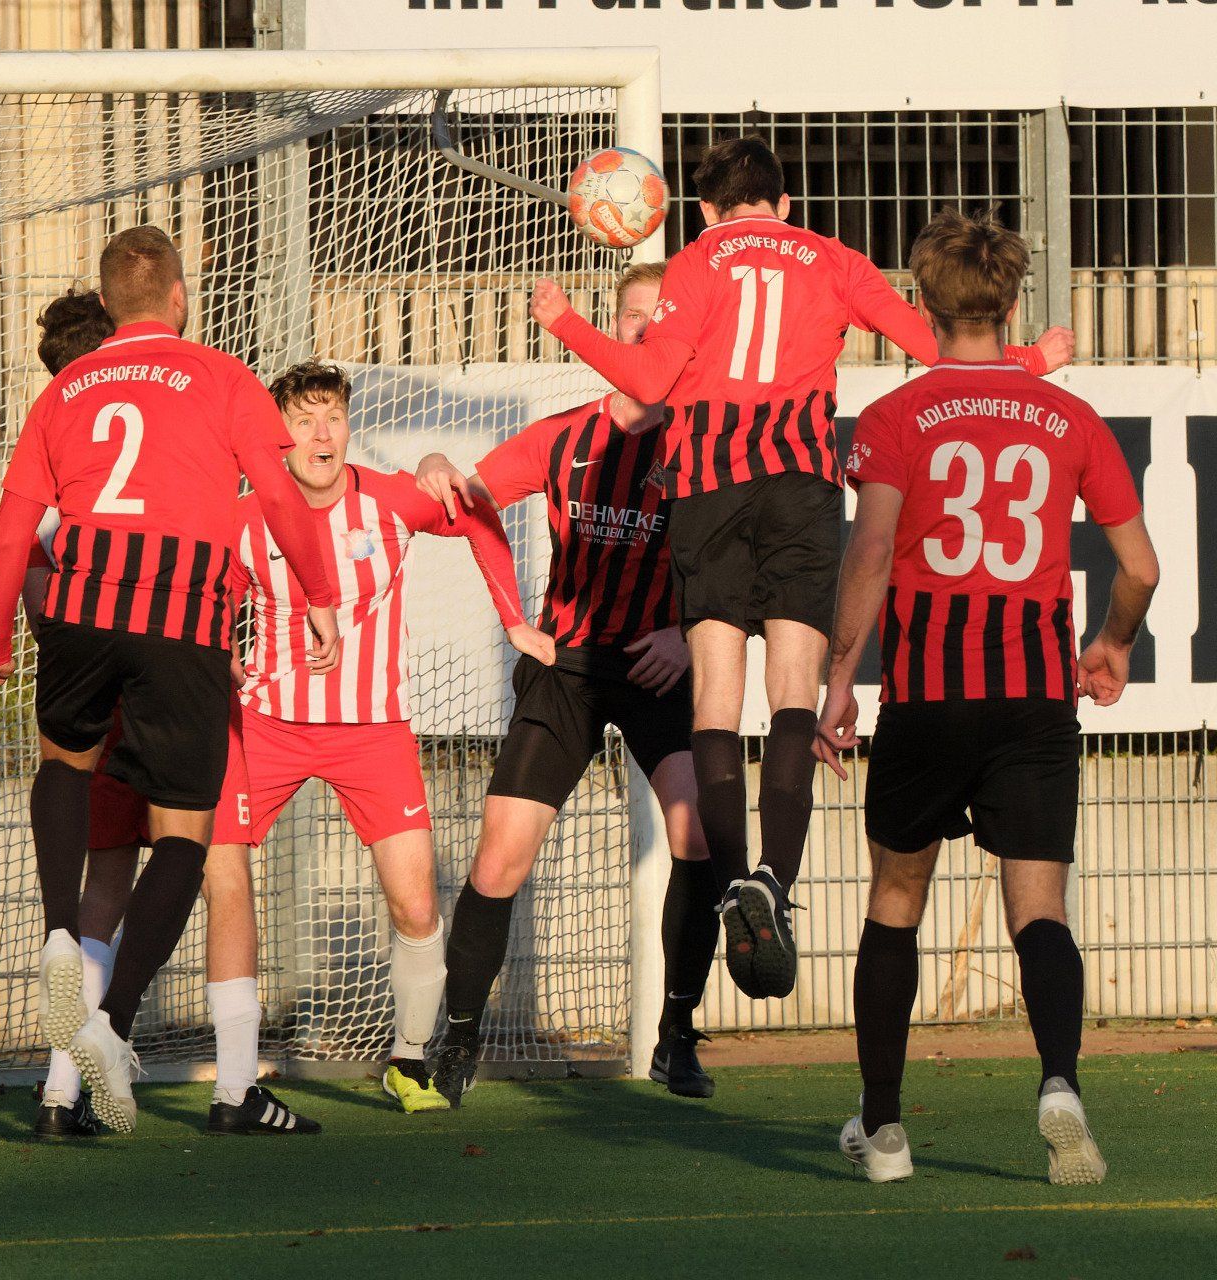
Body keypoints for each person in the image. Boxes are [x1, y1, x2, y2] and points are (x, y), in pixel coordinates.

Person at [529, 136, 1073, 999]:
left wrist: (564, 320)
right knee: (792, 693)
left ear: (705, 210)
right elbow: (933, 347)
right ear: (783, 203)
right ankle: (773, 882)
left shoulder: (695, 262)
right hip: (799, 487)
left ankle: (732, 884)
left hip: (708, 486)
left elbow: (650, 378)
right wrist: (1030, 363)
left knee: (716, 698)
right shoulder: (832, 257)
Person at [0, 226, 340, 1134]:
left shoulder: (66, 389)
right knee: (185, 837)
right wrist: (319, 595)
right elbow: (279, 496)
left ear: (105, 306)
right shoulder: (222, 376)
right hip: (182, 617)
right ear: (179, 295)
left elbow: (12, 530)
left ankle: (60, 937)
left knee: (64, 766)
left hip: (82, 612)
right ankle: (112, 1024)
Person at [817, 210, 1156, 1185]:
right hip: (1034, 698)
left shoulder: (896, 416)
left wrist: (839, 679)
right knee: (1039, 907)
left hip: (927, 696)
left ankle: (885, 1131)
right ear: (1012, 304)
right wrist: (1111, 642)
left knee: (895, 898)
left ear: (923, 303)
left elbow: (870, 553)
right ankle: (1059, 1081)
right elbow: (1140, 567)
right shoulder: (1070, 418)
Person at [199, 360, 542, 1128]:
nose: (322, 434)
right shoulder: (245, 516)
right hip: (266, 727)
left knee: (416, 905)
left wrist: (515, 620)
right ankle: (222, 1079)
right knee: (216, 883)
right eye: (304, 420)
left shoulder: (388, 500)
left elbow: (478, 517)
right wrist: (220, 655)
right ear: (278, 436)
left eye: (334, 417)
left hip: (373, 732)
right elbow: (211, 597)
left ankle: (408, 1060)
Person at [414, 263, 721, 1105]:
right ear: (613, 327)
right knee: (500, 855)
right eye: (633, 316)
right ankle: (460, 1036)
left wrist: (686, 635)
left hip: (659, 668)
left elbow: (748, 565)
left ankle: (677, 1035)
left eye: (662, 320)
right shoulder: (564, 436)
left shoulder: (701, 447)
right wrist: (437, 462)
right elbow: (466, 503)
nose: (645, 331)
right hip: (569, 669)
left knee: (698, 834)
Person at [22, 285, 140, 1141]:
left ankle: (61, 1092)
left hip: (74, 696)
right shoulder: (139, 455)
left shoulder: (47, 458)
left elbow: (38, 606)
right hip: (155, 690)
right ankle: (79, 1077)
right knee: (188, 868)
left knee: (91, 896)